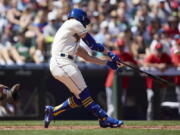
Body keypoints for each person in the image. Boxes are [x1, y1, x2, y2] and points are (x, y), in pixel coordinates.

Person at [44, 8, 124, 128]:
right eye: (84, 21)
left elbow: (87, 57)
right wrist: (110, 53)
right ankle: (104, 118)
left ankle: (53, 111)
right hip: (62, 62)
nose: (85, 24)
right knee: (84, 94)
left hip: (62, 62)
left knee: (80, 98)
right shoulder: (74, 23)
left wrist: (107, 62)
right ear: (80, 18)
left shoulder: (70, 39)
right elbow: (93, 45)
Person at [105, 38, 137, 116]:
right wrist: (125, 63)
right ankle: (107, 121)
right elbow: (111, 62)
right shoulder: (113, 53)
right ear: (117, 46)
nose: (120, 47)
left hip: (123, 83)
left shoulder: (127, 55)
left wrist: (130, 63)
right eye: (119, 46)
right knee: (111, 106)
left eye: (122, 46)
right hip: (111, 83)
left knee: (120, 104)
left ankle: (114, 121)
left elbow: (136, 65)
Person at [143, 42, 172, 120]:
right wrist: (157, 65)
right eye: (158, 50)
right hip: (151, 84)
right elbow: (145, 64)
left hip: (161, 84)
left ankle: (158, 119)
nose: (159, 51)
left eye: (160, 50)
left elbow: (172, 64)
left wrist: (165, 65)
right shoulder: (152, 56)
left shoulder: (165, 56)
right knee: (151, 101)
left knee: (160, 103)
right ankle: (149, 120)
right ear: (155, 50)